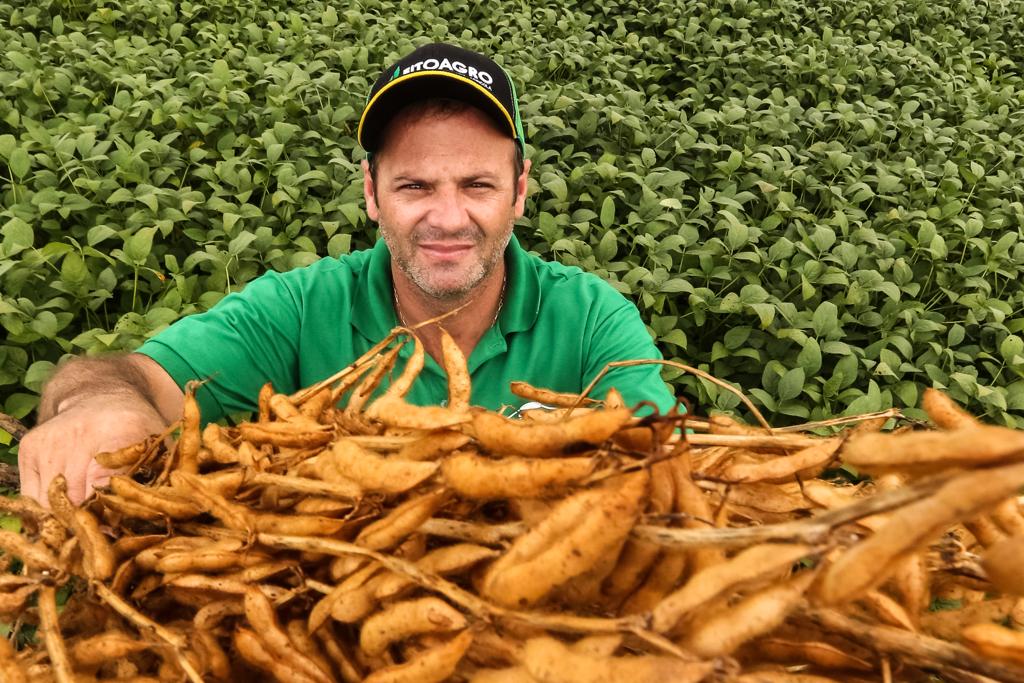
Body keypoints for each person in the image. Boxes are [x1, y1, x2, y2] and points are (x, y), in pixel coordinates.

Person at [18, 43, 677, 505]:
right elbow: (130, 376)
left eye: (477, 183)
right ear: (371, 191)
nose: (448, 217)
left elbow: (661, 471)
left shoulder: (593, 320)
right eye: (414, 185)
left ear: (520, 189)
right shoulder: (301, 309)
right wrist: (96, 404)